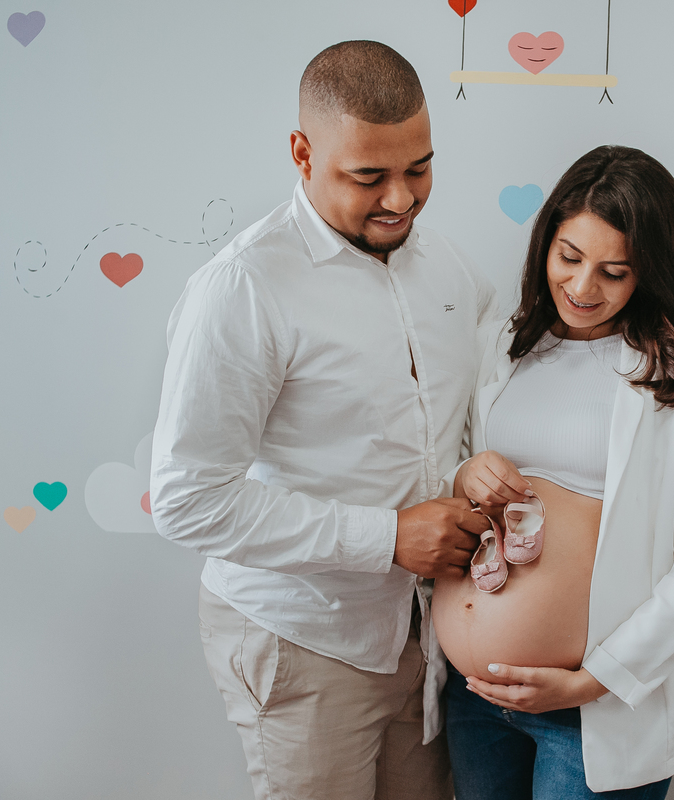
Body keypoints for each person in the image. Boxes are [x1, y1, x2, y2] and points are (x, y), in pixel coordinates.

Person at [150, 41, 497, 800]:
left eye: (420, 168)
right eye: (369, 177)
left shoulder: (448, 267)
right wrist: (390, 537)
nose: (401, 199)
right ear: (303, 154)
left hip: (429, 640)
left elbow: (469, 410)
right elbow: (187, 499)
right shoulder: (242, 288)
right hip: (300, 637)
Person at [431, 145, 674, 798]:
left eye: (614, 271)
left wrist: (595, 680)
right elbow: (442, 470)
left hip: (590, 708)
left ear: (649, 272)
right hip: (474, 699)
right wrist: (466, 475)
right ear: (545, 242)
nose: (581, 287)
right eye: (568, 258)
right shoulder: (503, 343)